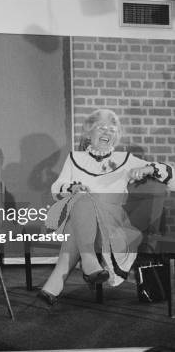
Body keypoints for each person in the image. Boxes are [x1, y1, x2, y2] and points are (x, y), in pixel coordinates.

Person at [37, 109, 174, 305]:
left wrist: (148, 168)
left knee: (79, 211)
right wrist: (72, 187)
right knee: (81, 200)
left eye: (112, 129)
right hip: (81, 217)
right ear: (88, 133)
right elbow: (56, 189)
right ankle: (82, 267)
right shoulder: (74, 158)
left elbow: (172, 176)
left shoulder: (125, 159)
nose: (107, 133)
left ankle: (67, 276)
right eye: (102, 128)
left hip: (113, 222)